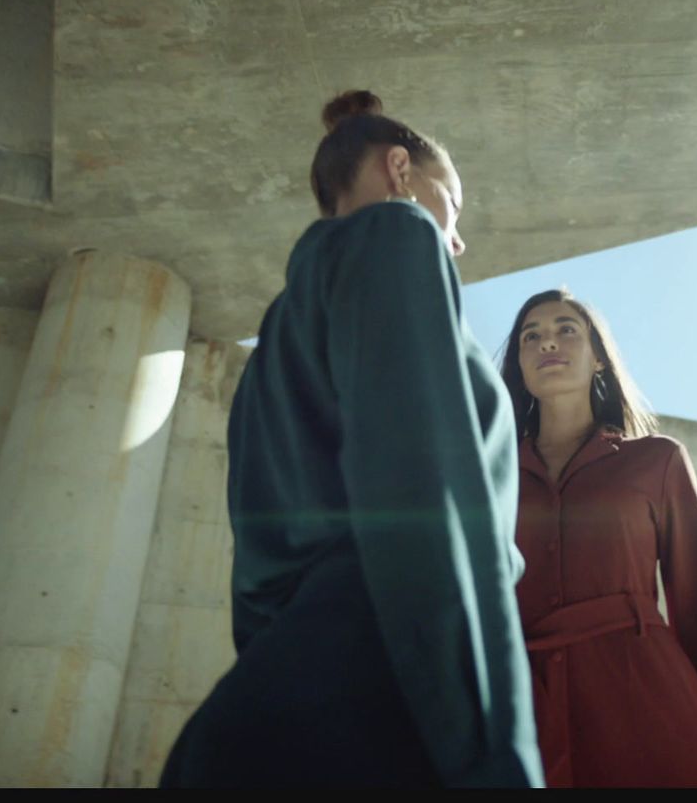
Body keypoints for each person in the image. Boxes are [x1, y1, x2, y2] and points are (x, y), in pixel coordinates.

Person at [159, 91, 541, 788]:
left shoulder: (278, 335)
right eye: (450, 208)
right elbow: (429, 499)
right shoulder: (399, 236)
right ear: (400, 170)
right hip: (383, 713)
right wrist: (491, 750)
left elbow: (255, 577)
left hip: (265, 714)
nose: (455, 239)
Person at [499, 288, 697, 788]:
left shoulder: (656, 460)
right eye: (529, 337)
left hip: (651, 713)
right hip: (520, 725)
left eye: (566, 330)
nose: (547, 343)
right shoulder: (486, 474)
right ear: (518, 365)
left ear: (599, 358)